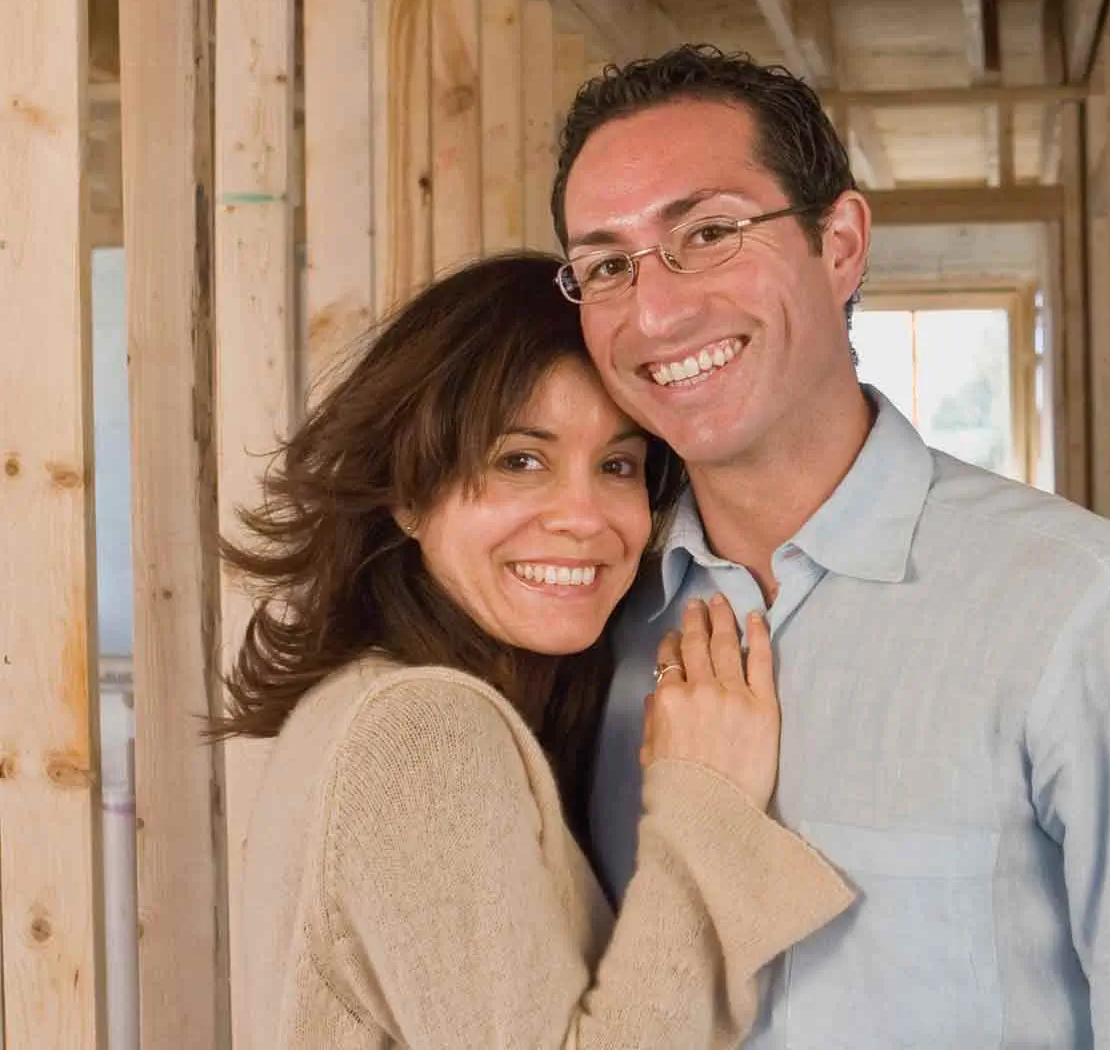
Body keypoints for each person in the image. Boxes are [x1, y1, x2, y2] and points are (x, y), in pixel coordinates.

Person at [551, 45, 1110, 1048]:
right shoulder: (590, 625)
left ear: (841, 242)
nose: (657, 310)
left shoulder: (1092, 615)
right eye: (605, 266)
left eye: (710, 232)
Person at [213, 252, 854, 1049]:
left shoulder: (368, 702)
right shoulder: (421, 731)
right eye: (521, 460)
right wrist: (708, 807)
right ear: (410, 492)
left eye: (617, 465)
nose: (584, 517)